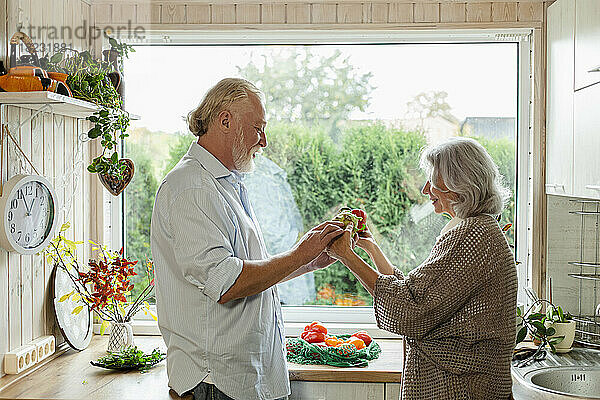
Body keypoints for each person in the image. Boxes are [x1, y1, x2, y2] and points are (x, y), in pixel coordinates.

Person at [150, 78, 344, 400]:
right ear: (225, 121)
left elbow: (250, 272)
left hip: (244, 377)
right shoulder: (191, 188)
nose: (264, 141)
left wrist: (310, 261)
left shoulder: (227, 183)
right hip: (217, 382)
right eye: (258, 128)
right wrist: (298, 254)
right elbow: (227, 284)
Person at [327, 137, 518, 400]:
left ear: (459, 185)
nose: (426, 189)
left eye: (433, 181)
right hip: (468, 385)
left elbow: (408, 309)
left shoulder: (471, 237)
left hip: (460, 389)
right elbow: (418, 294)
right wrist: (370, 248)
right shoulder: (476, 229)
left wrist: (346, 256)